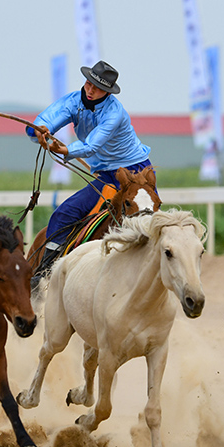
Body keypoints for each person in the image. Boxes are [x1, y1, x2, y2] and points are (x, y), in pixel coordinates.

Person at [26, 60, 153, 285]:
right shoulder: (74, 100)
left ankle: (156, 276)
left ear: (107, 92)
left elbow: (91, 145)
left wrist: (64, 149)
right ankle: (45, 273)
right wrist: (40, 131)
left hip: (136, 174)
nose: (91, 90)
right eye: (88, 84)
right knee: (63, 213)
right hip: (106, 175)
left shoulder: (115, 113)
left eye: (98, 88)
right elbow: (44, 121)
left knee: (146, 223)